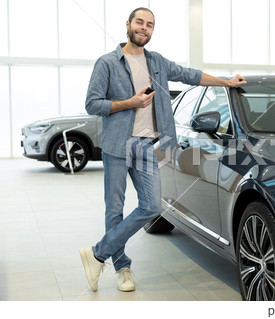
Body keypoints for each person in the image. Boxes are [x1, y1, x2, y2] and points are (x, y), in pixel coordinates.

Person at [80, 7, 246, 292]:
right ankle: (123, 268)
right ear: (128, 25)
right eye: (140, 22)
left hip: (146, 144)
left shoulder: (157, 62)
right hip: (117, 146)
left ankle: (97, 253)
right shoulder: (107, 63)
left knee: (152, 206)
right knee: (115, 209)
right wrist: (129, 103)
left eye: (150, 25)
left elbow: (190, 75)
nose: (144, 28)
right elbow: (92, 104)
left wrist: (226, 82)